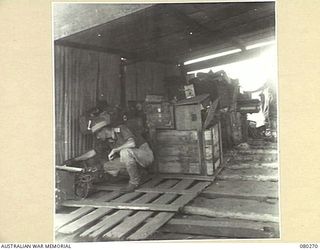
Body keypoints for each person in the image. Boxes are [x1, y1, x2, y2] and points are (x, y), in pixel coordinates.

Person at [91, 120, 154, 192]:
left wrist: (115, 150)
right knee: (107, 166)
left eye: (97, 134)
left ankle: (134, 182)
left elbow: (132, 143)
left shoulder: (121, 129)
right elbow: (93, 152)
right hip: (133, 160)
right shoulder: (108, 140)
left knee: (125, 152)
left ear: (104, 130)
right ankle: (140, 172)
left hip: (145, 155)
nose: (98, 137)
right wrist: (76, 159)